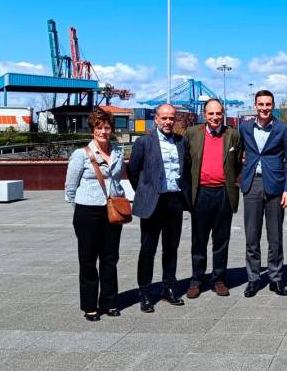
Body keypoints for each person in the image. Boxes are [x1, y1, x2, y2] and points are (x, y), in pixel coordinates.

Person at [127, 103, 191, 313]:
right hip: (153, 202)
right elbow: (133, 170)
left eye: (171, 118)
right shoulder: (144, 142)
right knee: (148, 250)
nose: (168, 122)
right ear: (156, 119)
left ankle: (169, 288)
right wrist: (145, 192)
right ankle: (144, 292)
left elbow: (187, 170)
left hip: (174, 202)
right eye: (164, 118)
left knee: (171, 249)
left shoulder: (181, 142)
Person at [64, 108, 125, 321]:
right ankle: (90, 305)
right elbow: (70, 188)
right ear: (92, 130)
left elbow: (117, 180)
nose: (103, 131)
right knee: (88, 260)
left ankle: (109, 302)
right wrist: (80, 209)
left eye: (107, 127)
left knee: (110, 258)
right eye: (99, 127)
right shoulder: (81, 155)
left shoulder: (118, 151)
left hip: (112, 211)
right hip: (87, 212)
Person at [185, 99, 244, 298]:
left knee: (221, 240)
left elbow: (237, 164)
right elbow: (186, 162)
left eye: (218, 113)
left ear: (223, 114)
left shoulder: (233, 135)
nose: (215, 117)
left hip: (223, 193)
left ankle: (218, 279)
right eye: (211, 114)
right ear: (204, 115)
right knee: (199, 240)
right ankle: (196, 280)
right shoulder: (193, 133)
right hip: (201, 193)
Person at [239, 89, 287, 297]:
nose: (264, 108)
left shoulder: (283, 129)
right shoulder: (244, 128)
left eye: (268, 104)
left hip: (276, 187)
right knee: (251, 236)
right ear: (255, 105)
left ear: (273, 106)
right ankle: (253, 279)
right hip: (252, 185)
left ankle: (276, 279)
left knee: (275, 236)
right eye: (261, 104)